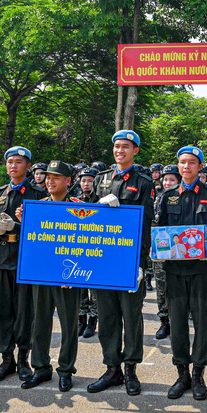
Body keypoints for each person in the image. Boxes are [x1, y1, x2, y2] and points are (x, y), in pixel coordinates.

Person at [87, 130, 154, 396]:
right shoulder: (101, 179)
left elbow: (146, 224)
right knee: (107, 316)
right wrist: (98, 205)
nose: (120, 151)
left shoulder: (143, 182)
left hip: (128, 262)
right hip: (102, 259)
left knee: (131, 315)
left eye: (126, 147)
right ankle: (111, 368)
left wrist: (141, 263)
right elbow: (84, 218)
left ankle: (130, 370)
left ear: (135, 151)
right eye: (117, 146)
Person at [156, 146, 207, 400]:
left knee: (202, 323)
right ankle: (181, 374)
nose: (186, 167)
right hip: (174, 271)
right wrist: (156, 247)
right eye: (183, 163)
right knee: (177, 324)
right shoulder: (168, 195)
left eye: (192, 163)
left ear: (200, 167)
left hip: (201, 270)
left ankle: (198, 375)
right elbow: (160, 227)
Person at [18, 161, 85, 392]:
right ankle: (41, 368)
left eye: (56, 177)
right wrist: (22, 221)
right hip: (42, 274)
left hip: (68, 274)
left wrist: (76, 275)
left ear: (68, 181)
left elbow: (88, 243)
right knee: (40, 322)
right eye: (48, 177)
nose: (50, 181)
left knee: (68, 324)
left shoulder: (81, 208)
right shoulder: (36, 207)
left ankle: (66, 370)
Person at [0, 146, 48, 384]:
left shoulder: (37, 194)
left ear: (28, 166)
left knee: (24, 311)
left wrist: (18, 227)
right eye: (10, 162)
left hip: (26, 258)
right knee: (4, 311)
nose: (13, 166)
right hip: (2, 257)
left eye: (19, 162)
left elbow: (45, 231)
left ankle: (23, 358)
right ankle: (6, 358)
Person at [153, 164, 181, 340]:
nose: (167, 182)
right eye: (165, 179)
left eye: (172, 179)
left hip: (178, 250)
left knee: (178, 289)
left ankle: (178, 322)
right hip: (160, 249)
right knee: (161, 287)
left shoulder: (181, 197)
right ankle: (164, 322)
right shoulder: (156, 197)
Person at [75, 167, 99, 338]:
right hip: (78, 250)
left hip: (96, 249)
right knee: (80, 288)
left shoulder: (100, 200)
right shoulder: (74, 200)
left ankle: (93, 322)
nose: (86, 184)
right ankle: (81, 320)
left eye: (90, 181)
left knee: (95, 289)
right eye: (84, 180)